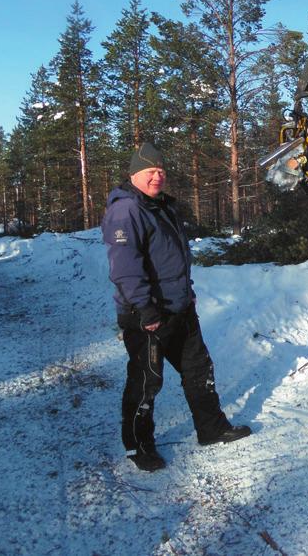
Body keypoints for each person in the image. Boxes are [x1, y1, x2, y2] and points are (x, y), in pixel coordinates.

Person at [101, 142, 251, 472]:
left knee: (199, 371)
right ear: (133, 174)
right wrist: (145, 309)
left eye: (161, 171)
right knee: (146, 382)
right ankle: (138, 447)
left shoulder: (161, 207)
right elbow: (126, 267)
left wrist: (187, 292)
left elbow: (172, 259)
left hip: (179, 307)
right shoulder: (126, 211)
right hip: (148, 315)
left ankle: (212, 429)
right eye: (150, 171)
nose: (157, 177)